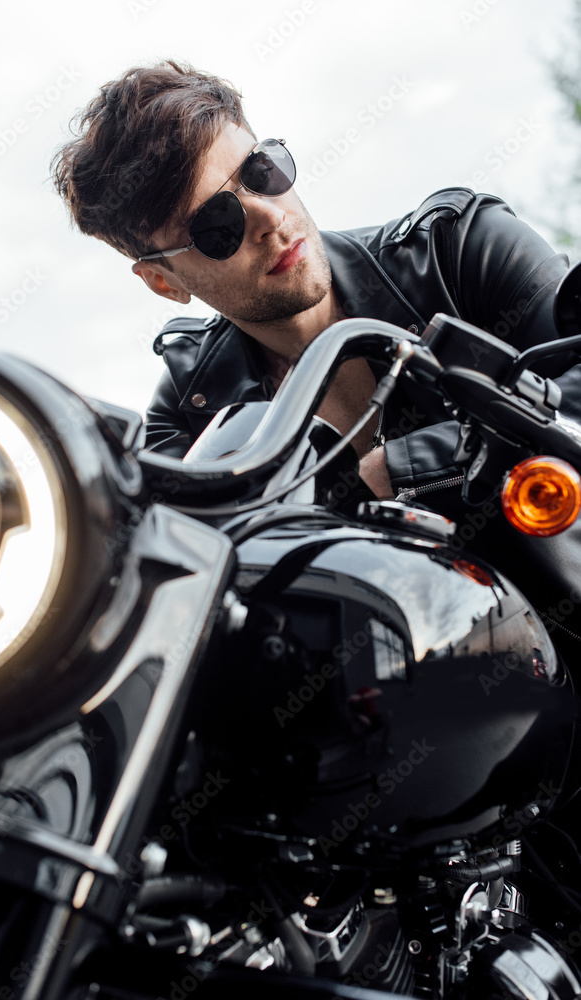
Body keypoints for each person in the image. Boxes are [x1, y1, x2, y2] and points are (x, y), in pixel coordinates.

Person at [52, 60, 581, 637]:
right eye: (216, 226)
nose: (272, 218)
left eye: (261, 170)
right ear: (164, 282)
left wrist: (396, 469)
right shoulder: (190, 408)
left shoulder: (459, 252)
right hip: (403, 699)